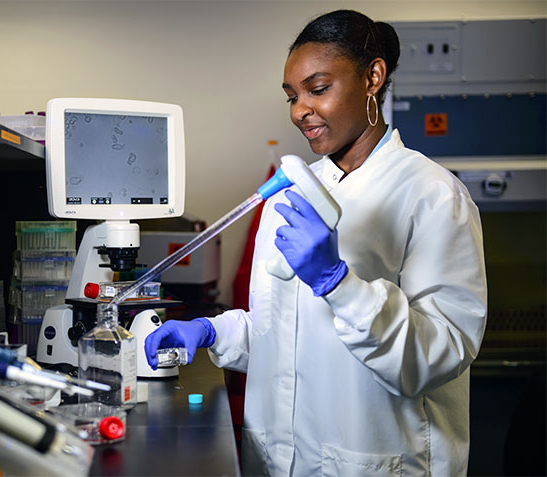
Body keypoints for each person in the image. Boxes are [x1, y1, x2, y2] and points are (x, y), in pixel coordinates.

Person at [144, 9, 487, 476]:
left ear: (373, 78)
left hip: (377, 461)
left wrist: (337, 282)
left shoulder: (432, 195)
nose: (300, 110)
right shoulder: (293, 192)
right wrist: (212, 331)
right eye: (292, 96)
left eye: (318, 89)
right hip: (281, 460)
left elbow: (439, 355)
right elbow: (284, 332)